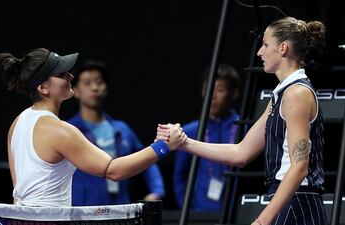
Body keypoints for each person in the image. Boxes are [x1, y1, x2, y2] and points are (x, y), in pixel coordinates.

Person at [157, 17, 327, 225]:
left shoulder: (296, 94)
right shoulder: (281, 96)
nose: (259, 52)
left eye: (265, 45)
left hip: (297, 201)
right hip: (287, 199)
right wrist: (184, 143)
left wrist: (262, 221)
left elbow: (300, 166)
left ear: (283, 48)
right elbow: (241, 153)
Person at [0, 48, 185, 207]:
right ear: (43, 88)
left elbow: (17, 192)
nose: (70, 76)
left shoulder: (17, 123)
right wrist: (164, 146)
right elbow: (113, 170)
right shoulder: (60, 130)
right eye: (61, 74)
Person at [68, 60, 165, 205]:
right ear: (75, 91)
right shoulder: (69, 130)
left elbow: (147, 159)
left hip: (120, 208)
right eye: (87, 83)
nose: (94, 87)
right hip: (84, 212)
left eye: (99, 82)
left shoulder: (122, 129)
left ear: (106, 87)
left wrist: (157, 190)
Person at [173, 64, 240, 211]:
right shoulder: (190, 131)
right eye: (208, 89)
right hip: (200, 214)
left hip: (236, 212)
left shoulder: (245, 128)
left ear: (234, 93)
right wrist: (186, 208)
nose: (212, 96)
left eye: (220, 90)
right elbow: (179, 176)